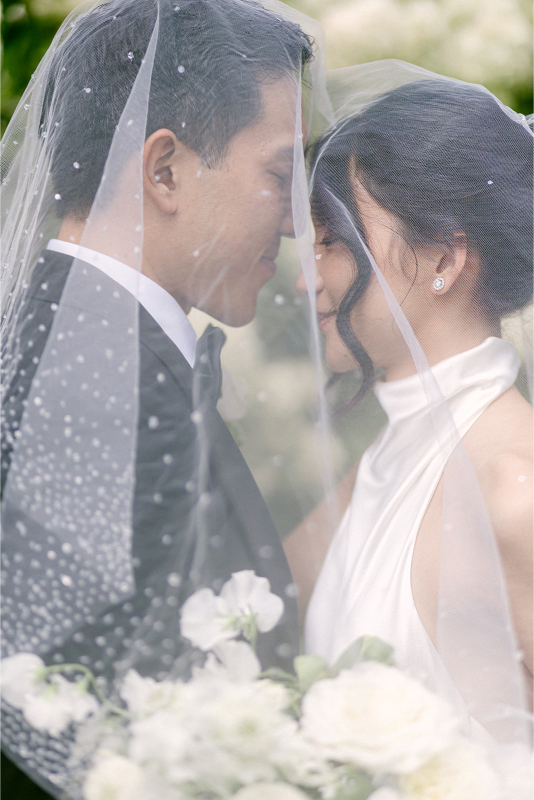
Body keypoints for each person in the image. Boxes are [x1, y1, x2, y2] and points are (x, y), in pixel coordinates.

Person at [0, 0, 323, 795]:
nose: (295, 222)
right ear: (165, 169)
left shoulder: (83, 345)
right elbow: (64, 717)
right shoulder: (96, 384)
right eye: (280, 177)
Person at [285, 65, 533, 746]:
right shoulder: (388, 459)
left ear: (447, 258)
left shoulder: (517, 491)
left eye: (333, 240)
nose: (309, 279)